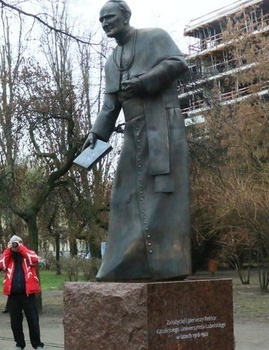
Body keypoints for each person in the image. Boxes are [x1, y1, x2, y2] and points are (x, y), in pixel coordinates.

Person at [82, 0, 190, 282]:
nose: (105, 22)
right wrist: (96, 134)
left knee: (164, 197)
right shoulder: (112, 62)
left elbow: (178, 62)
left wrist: (145, 82)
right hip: (134, 131)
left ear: (126, 16)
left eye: (110, 16)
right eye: (101, 19)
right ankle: (125, 266)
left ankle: (168, 266)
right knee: (122, 198)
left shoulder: (154, 36)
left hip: (163, 125)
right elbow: (109, 104)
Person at [0, 235, 44, 350]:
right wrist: (8, 250)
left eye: (17, 243)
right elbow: (1, 265)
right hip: (13, 295)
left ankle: (37, 344)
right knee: (15, 321)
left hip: (28, 294)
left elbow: (34, 259)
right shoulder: (8, 257)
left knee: (33, 320)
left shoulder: (27, 254)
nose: (15, 245)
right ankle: (19, 343)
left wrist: (21, 248)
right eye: (13, 243)